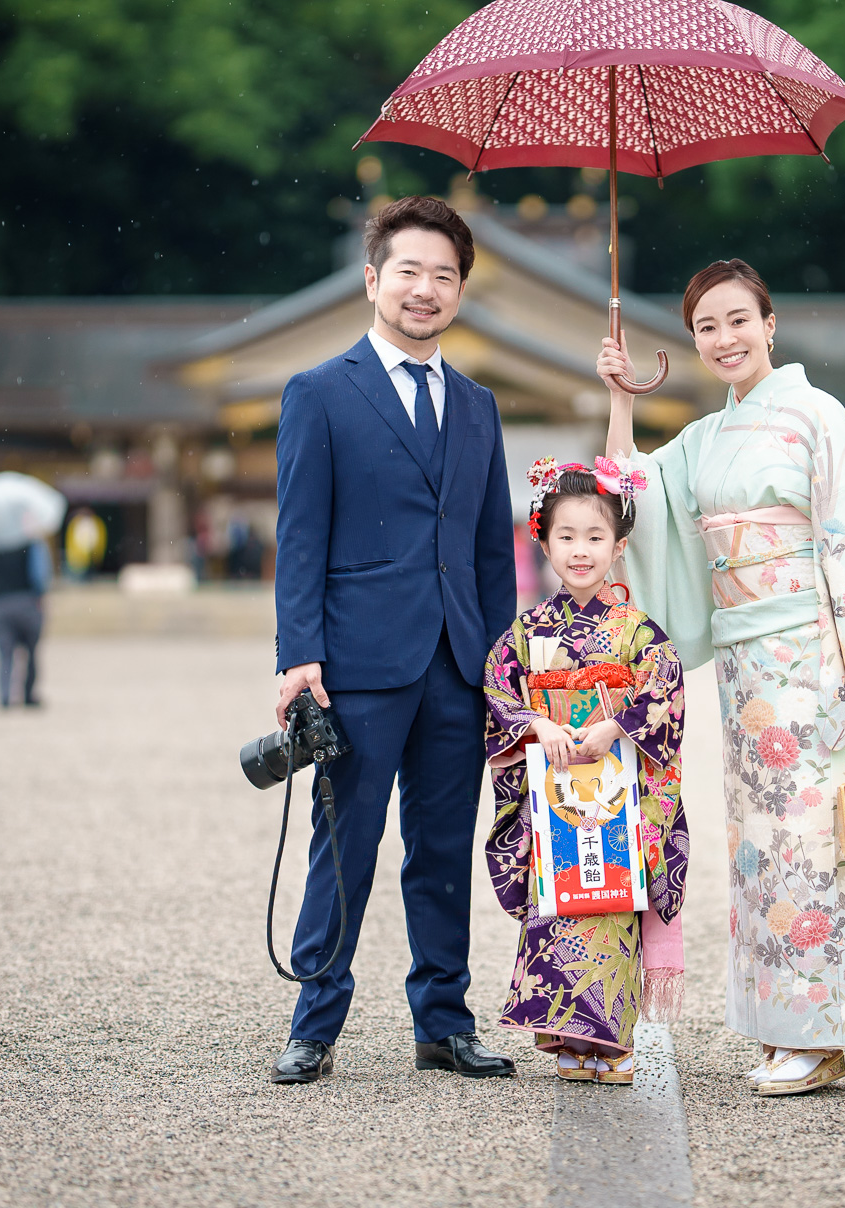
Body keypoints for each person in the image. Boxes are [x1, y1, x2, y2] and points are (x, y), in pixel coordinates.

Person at [598, 258, 845, 1097]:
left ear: (770, 324)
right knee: (759, 847)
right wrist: (619, 398)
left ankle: (823, 1032)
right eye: (705, 328)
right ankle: (781, 1028)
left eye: (737, 320)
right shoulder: (708, 436)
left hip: (812, 656)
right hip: (748, 669)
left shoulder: (813, 414)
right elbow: (628, 492)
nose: (724, 339)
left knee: (812, 843)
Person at [269, 196, 517, 1085]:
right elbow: (299, 536)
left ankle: (442, 1024)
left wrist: (502, 664)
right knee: (345, 845)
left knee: (445, 849)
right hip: (356, 666)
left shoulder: (480, 405)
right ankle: (314, 1022)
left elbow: (493, 550)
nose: (425, 289)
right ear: (373, 279)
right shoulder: (320, 393)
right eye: (408, 271)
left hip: (459, 663)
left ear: (460, 293)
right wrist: (298, 656)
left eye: (444, 276)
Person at [481, 460, 687, 1084]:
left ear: (619, 547)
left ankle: (612, 1040)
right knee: (561, 898)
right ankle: (569, 1033)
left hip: (617, 787)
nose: (580, 551)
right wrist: (535, 725)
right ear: (542, 540)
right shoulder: (527, 630)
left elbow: (664, 687)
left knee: (611, 900)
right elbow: (497, 688)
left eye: (595, 538)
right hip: (552, 787)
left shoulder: (637, 631)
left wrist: (615, 727)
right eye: (566, 536)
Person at [0, 539, 51, 709]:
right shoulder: (31, 543)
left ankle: (4, 695)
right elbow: (38, 575)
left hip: (1, 602)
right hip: (27, 601)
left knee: (5, 653)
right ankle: (28, 694)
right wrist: (41, 596)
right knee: (31, 651)